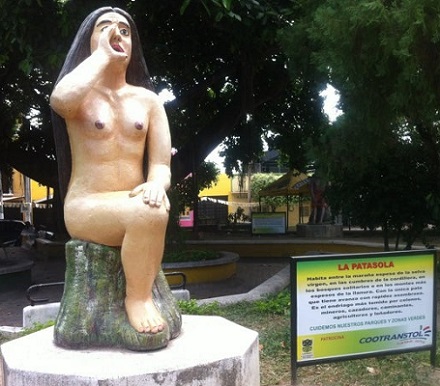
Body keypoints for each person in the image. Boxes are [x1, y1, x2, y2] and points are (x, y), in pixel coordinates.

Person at [50, 7, 171, 335]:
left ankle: (139, 296)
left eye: (125, 31)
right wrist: (102, 55)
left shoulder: (149, 101)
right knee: (147, 215)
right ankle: (138, 299)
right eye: (105, 28)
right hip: (87, 205)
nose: (118, 35)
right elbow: (60, 99)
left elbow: (160, 163)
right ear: (90, 41)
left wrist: (156, 184)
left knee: (151, 208)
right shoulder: (80, 96)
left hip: (132, 203)